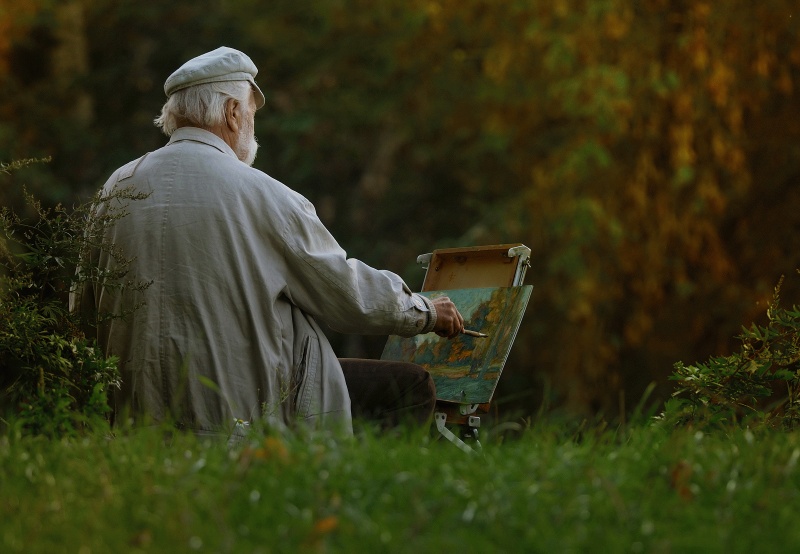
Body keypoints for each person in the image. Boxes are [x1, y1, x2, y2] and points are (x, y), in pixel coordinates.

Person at [71, 47, 464, 437]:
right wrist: (423, 311)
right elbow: (346, 295)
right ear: (232, 113)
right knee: (410, 385)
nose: (252, 127)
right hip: (241, 428)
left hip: (130, 430)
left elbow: (80, 309)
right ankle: (346, 481)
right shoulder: (263, 194)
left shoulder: (115, 188)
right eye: (251, 114)